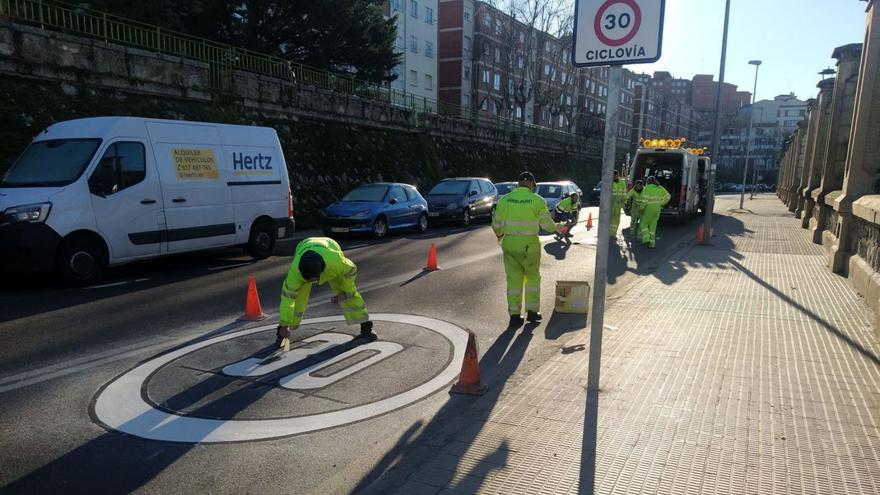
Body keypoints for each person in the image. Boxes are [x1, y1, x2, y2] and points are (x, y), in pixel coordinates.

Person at [492, 171, 563, 327]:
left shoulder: (505, 200)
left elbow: (496, 225)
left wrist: (500, 236)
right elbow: (547, 225)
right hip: (529, 246)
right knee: (532, 278)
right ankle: (532, 313)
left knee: (513, 281)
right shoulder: (537, 200)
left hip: (509, 244)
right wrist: (558, 227)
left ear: (518, 184)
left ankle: (515, 316)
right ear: (531, 183)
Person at [276, 237, 375, 347]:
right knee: (296, 297)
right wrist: (284, 324)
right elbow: (287, 298)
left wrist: (344, 292)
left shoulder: (336, 263)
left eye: (312, 279)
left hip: (330, 246)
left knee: (349, 293)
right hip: (304, 245)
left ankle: (366, 328)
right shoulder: (295, 272)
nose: (311, 282)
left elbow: (351, 270)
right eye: (308, 280)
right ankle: (282, 333)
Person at [639, 176, 671, 248]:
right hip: (657, 209)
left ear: (648, 182)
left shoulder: (647, 188)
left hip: (649, 209)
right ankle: (652, 244)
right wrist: (662, 203)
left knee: (643, 224)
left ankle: (646, 239)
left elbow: (645, 201)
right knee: (653, 227)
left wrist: (641, 208)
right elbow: (668, 196)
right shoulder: (660, 188)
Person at [609, 170, 628, 239]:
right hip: (610, 204)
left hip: (618, 204)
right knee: (609, 219)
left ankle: (613, 234)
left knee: (616, 220)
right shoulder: (609, 182)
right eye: (613, 176)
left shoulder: (622, 182)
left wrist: (624, 202)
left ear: (618, 175)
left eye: (616, 175)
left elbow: (624, 192)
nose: (614, 177)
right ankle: (608, 233)